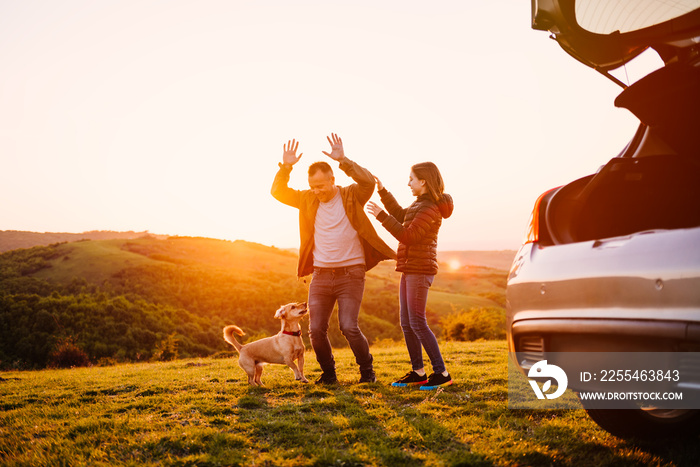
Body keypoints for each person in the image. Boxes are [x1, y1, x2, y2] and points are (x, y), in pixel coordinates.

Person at [271, 133, 396, 384]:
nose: (317, 191)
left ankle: (367, 372)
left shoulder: (351, 195)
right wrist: (286, 167)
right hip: (321, 275)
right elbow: (278, 192)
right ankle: (329, 375)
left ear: (332, 180)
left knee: (348, 326)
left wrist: (344, 160)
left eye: (321, 185)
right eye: (313, 186)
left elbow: (368, 182)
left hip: (351, 273)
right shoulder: (307, 198)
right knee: (316, 330)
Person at [366, 162, 454, 390]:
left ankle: (441, 373)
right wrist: (383, 192)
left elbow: (408, 235)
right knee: (406, 322)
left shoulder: (429, 208)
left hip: (419, 269)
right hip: (409, 268)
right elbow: (400, 215)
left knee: (417, 321)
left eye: (411, 179)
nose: (408, 183)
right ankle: (418, 372)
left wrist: (380, 216)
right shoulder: (419, 205)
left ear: (423, 181)